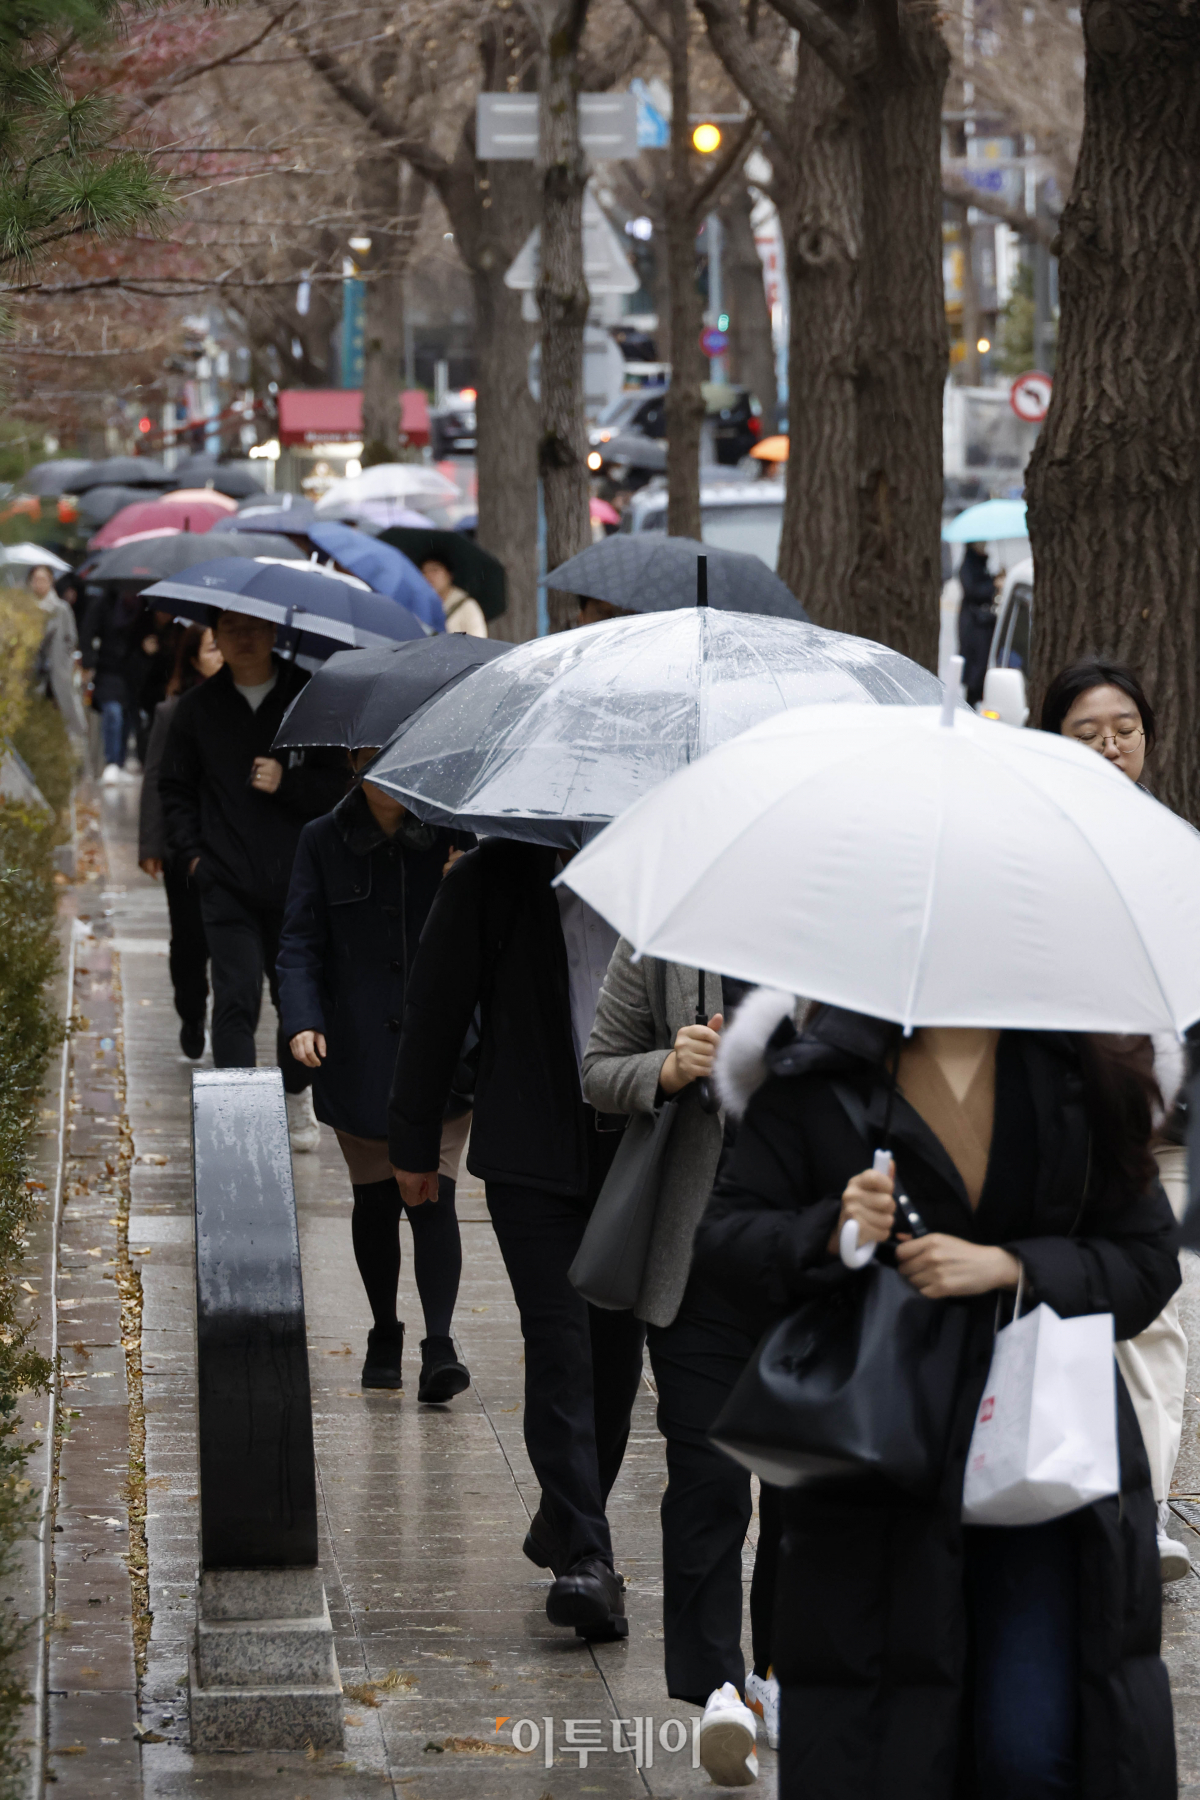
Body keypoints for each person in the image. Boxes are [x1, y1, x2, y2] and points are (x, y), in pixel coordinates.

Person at [697, 1001, 1180, 1799]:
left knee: (1032, 1749)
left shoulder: (1082, 1071)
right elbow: (725, 1244)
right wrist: (833, 1230)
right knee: (890, 1755)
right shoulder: (818, 1077)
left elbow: (1145, 1261)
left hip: (1043, 1468)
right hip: (875, 1470)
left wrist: (1013, 1266)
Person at [387, 839, 646, 1641]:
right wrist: (413, 1142)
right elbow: (435, 1006)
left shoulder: (662, 869)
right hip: (532, 1149)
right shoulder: (489, 879)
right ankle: (588, 1562)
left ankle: (566, 1518)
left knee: (615, 1353)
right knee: (560, 1341)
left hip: (634, 1150)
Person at [583, 954, 788, 1787]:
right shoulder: (662, 941)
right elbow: (598, 1068)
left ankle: (780, 1676)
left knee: (800, 1487)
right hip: (695, 1264)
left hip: (808, 1261)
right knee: (705, 1475)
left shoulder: (841, 929)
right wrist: (668, 1069)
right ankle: (718, 1690)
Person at [1042, 655, 1191, 1581]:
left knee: (1160, 1324)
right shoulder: (1032, 852)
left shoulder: (1179, 850)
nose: (1110, 743)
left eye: (1124, 727)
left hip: (1169, 1138)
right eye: (1087, 730)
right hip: (1065, 1134)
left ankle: (1140, 1514)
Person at [277, 752, 473, 1399]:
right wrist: (302, 1019)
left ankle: (439, 1343)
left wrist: (464, 880)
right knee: (375, 1200)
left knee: (432, 1193)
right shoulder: (321, 839)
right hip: (357, 1052)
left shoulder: (455, 833)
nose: (384, 768)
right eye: (369, 759)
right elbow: (299, 942)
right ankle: (384, 1329)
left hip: (440, 1046)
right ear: (354, 767)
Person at [158, 610, 348, 1153]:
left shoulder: (308, 698)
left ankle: (295, 1095)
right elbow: (174, 790)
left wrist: (288, 782)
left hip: (297, 883)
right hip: (226, 882)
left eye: (253, 627)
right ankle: (238, 1118)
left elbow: (340, 786)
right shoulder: (197, 709)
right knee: (236, 997)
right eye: (230, 628)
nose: (242, 638)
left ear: (274, 633)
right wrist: (193, 859)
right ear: (213, 636)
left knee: (298, 1001)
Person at [138, 625, 223, 1059]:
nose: (223, 654)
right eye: (213, 648)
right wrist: (151, 845)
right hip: (184, 844)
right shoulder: (174, 712)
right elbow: (156, 776)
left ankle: (226, 1022)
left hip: (233, 848)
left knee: (229, 943)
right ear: (194, 659)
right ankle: (192, 1011)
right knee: (189, 940)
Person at [78, 582, 145, 782]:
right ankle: (112, 762)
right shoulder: (103, 604)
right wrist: (88, 662)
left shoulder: (143, 605)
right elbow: (87, 632)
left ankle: (121, 761)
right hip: (108, 669)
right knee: (113, 712)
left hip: (133, 671)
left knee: (127, 717)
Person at [27, 563, 88, 750]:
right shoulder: (26, 608)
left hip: (58, 669)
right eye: (36, 579)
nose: (40, 584)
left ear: (51, 582)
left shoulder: (61, 609)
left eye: (43, 579)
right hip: (33, 671)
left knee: (64, 714)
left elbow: (71, 638)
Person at [955, 542, 997, 705]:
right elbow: (973, 590)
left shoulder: (980, 563)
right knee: (975, 671)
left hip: (981, 623)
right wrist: (993, 585)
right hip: (974, 625)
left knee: (980, 670)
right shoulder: (968, 565)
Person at [418, 556, 487, 637]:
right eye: (424, 572)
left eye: (434, 570)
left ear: (449, 574)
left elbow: (478, 642)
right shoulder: (420, 606)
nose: (428, 576)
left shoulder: (466, 606)